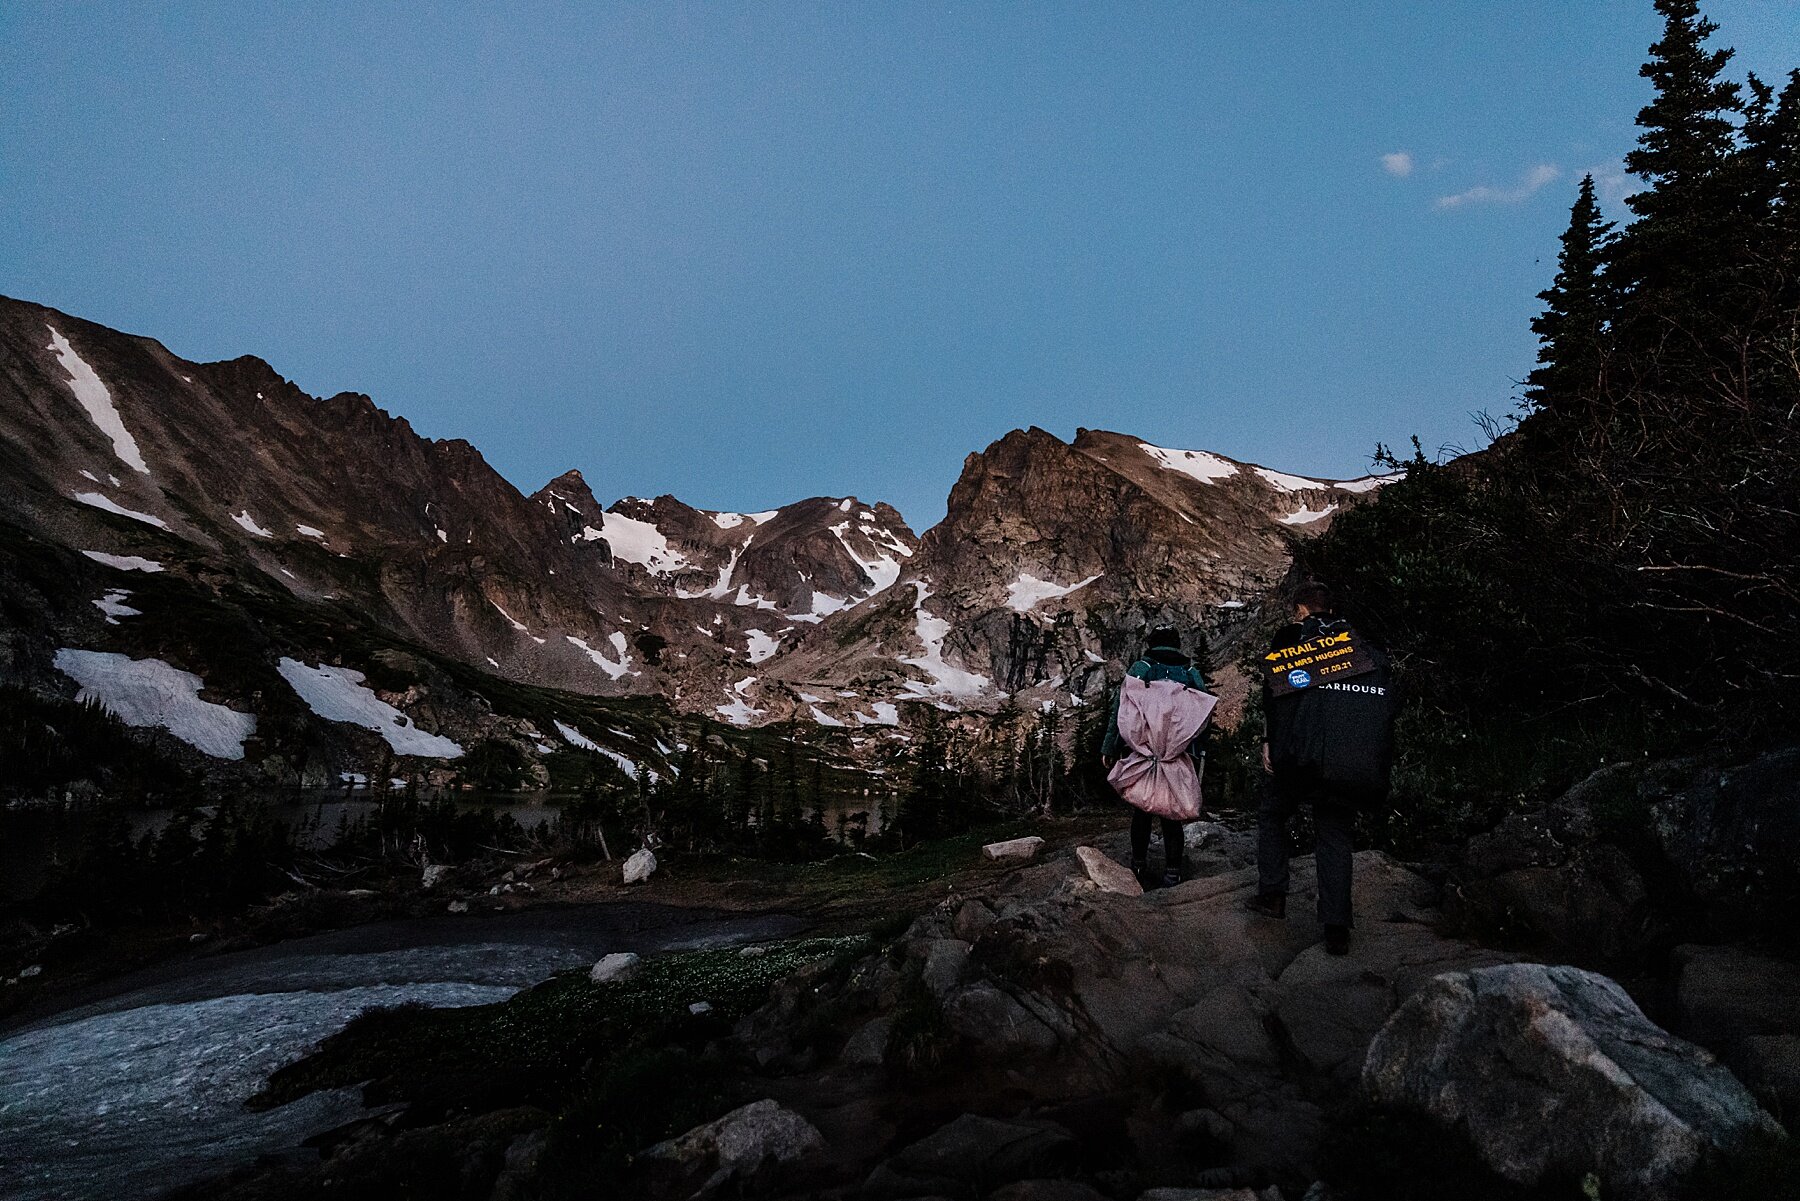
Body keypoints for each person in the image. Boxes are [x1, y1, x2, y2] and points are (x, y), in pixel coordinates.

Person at [1249, 582, 1399, 955]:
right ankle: (1336, 927)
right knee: (1334, 835)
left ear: (1302, 610)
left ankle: (1273, 895)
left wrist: (1269, 742)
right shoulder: (1361, 643)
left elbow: (1275, 694)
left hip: (1301, 757)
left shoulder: (1290, 639)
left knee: (1272, 814)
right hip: (1346, 759)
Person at [1101, 627, 1217, 888]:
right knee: (1171, 815)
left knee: (1142, 811)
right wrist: (1199, 751)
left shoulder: (1142, 668)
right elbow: (1203, 717)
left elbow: (1121, 709)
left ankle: (1139, 865)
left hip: (1144, 753)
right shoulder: (1190, 673)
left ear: (1151, 644)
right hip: (1176, 756)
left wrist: (1110, 747)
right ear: (1177, 645)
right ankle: (1173, 872)